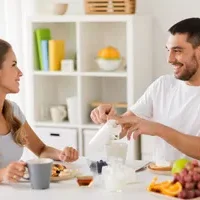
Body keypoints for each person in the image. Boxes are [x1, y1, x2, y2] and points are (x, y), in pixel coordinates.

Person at [90, 17, 200, 162]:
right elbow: (125, 125)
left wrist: (158, 129)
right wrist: (110, 119)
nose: (169, 59)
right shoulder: (163, 85)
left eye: (177, 51)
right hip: (161, 182)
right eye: (168, 50)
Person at [0, 39, 79, 183]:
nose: (20, 72)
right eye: (13, 65)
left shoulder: (12, 111)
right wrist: (3, 174)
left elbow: (41, 150)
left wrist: (60, 154)